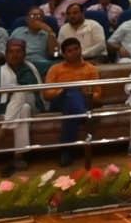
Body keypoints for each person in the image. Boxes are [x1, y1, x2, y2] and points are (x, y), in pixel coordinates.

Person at [0, 39, 44, 174]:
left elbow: (54, 63)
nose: (14, 55)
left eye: (18, 52)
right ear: (5, 54)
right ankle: (19, 156)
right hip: (14, 109)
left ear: (24, 54)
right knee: (24, 109)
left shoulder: (32, 67)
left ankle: (2, 131)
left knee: (20, 92)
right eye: (11, 52)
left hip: (34, 103)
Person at [42, 37, 102, 167]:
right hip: (58, 103)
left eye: (76, 49)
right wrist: (65, 90)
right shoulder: (55, 69)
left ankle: (66, 151)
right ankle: (84, 116)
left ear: (81, 49)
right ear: (64, 54)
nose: (74, 52)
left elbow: (97, 95)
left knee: (72, 103)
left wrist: (86, 93)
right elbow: (46, 94)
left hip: (81, 102)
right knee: (72, 92)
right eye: (70, 51)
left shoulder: (91, 69)